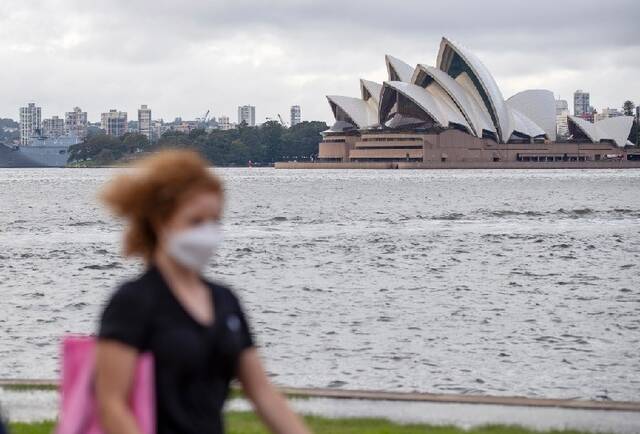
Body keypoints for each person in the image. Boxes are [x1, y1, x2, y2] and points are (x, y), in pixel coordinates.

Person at [95, 150, 310, 434]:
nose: (208, 232)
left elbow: (262, 393)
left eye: (215, 220)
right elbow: (111, 403)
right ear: (161, 222)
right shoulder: (134, 301)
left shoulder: (225, 301)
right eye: (196, 221)